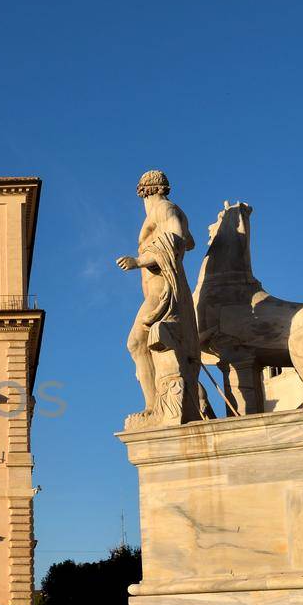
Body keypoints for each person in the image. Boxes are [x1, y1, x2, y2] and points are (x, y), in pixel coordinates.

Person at [116, 170, 201, 426]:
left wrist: (139, 260)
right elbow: (191, 242)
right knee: (141, 344)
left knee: (136, 343)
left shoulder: (163, 209)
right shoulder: (169, 211)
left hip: (162, 290)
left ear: (145, 191)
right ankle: (158, 405)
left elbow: (176, 240)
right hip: (161, 286)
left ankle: (154, 407)